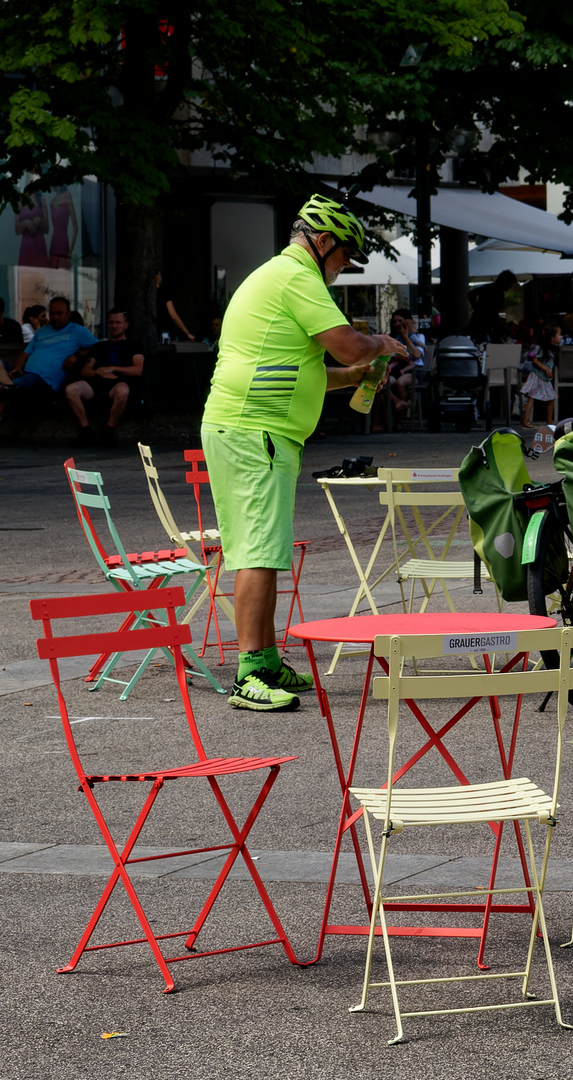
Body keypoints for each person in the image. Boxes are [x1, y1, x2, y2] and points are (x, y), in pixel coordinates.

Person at [200, 192, 408, 711]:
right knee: (257, 552)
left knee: (265, 550)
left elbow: (310, 372)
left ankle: (266, 659)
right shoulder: (297, 277)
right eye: (343, 258)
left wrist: (356, 378)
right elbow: (349, 345)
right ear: (323, 241)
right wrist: (379, 346)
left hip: (253, 429)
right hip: (255, 431)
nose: (343, 270)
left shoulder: (281, 274)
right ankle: (250, 673)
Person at [0, 297, 97, 446]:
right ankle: (11, 386)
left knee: (3, 392)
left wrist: (77, 355)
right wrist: (17, 368)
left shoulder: (78, 331)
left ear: (68, 313)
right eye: (52, 313)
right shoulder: (42, 332)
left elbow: (98, 348)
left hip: (44, 380)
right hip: (25, 374)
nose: (54, 317)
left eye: (59, 313)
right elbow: (25, 354)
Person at [64, 308, 145, 445]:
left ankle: (109, 431)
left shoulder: (134, 345)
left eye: (118, 323)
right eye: (111, 322)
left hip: (119, 382)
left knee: (122, 391)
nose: (114, 326)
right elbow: (86, 370)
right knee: (71, 390)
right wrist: (98, 372)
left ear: (126, 325)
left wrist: (113, 368)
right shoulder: (99, 346)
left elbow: (137, 370)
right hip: (96, 383)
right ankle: (86, 431)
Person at [521, 323, 559, 427]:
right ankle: (526, 422)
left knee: (549, 398)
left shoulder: (550, 348)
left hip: (543, 378)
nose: (561, 337)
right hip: (538, 376)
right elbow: (535, 360)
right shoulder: (543, 348)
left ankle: (549, 421)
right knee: (532, 397)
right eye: (559, 335)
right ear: (552, 337)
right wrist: (546, 369)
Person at [467, 270, 517, 343]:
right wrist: (478, 311)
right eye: (510, 284)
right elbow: (471, 293)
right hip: (481, 326)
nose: (510, 286)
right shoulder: (495, 291)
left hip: (481, 325)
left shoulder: (491, 288)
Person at [156, 270, 196, 342]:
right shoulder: (164, 293)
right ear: (158, 277)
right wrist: (187, 333)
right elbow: (173, 315)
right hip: (164, 330)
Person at [48, 185, 78, 270]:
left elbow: (75, 228)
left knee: (63, 277)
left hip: (64, 245)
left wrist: (70, 253)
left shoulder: (67, 195)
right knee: (52, 278)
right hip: (53, 245)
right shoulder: (52, 202)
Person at [15, 194, 49, 267]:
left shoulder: (41, 198)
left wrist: (40, 221)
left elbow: (46, 229)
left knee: (40, 274)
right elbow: (17, 230)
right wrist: (25, 223)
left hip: (39, 245)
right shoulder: (20, 200)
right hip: (26, 246)